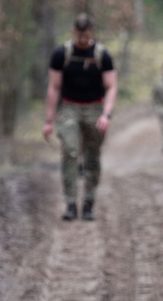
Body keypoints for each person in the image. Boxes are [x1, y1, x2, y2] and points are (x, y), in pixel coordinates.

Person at [42, 13, 117, 221]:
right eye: (79, 35)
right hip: (69, 108)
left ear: (91, 33)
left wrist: (106, 115)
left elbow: (111, 87)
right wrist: (49, 120)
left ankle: (89, 203)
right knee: (70, 152)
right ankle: (71, 203)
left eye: (86, 35)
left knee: (92, 156)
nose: (82, 39)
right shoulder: (61, 54)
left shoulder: (103, 55)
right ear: (73, 32)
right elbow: (54, 87)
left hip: (95, 108)